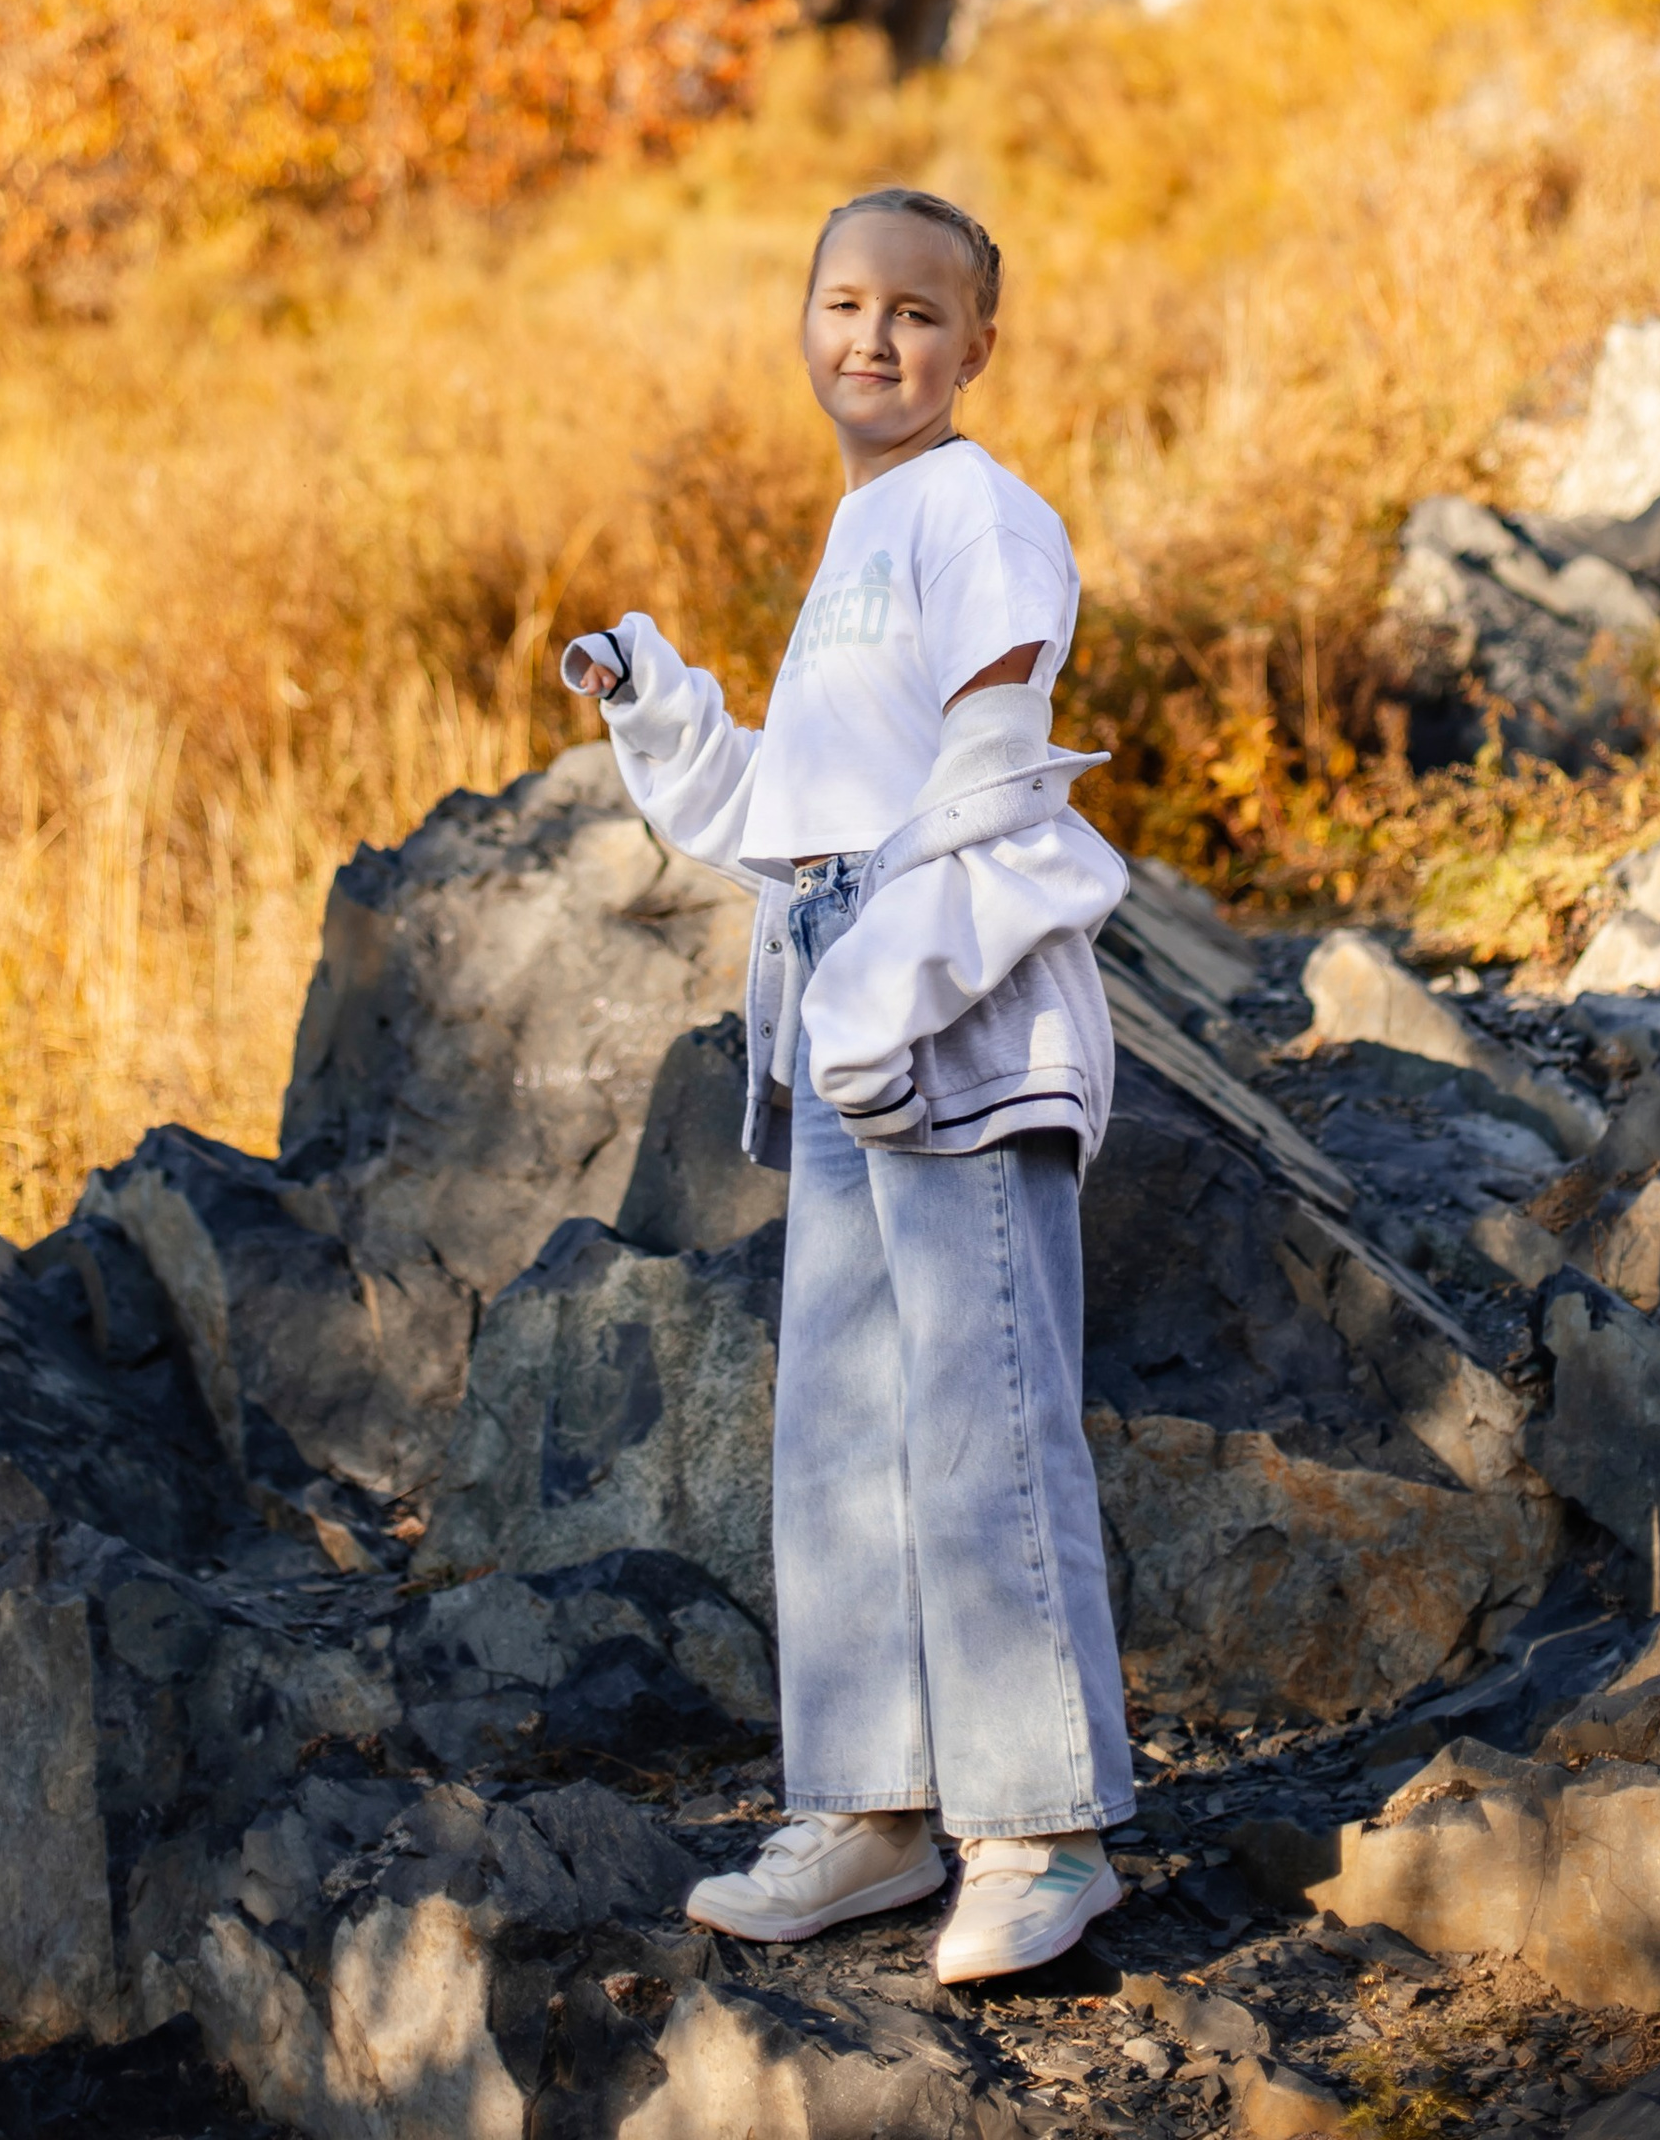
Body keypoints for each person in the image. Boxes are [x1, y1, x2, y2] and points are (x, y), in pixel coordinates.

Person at [559, 184, 1135, 1984]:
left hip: (948, 1000)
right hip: (836, 1001)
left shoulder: (978, 511)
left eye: (916, 311)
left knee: (981, 1409)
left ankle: (1039, 1834)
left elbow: (993, 778)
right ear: (805, 321)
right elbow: (783, 820)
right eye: (844, 303)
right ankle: (872, 1814)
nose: (874, 336)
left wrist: (887, 979)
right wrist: (659, 708)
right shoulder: (859, 530)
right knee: (840, 1422)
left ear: (978, 347)